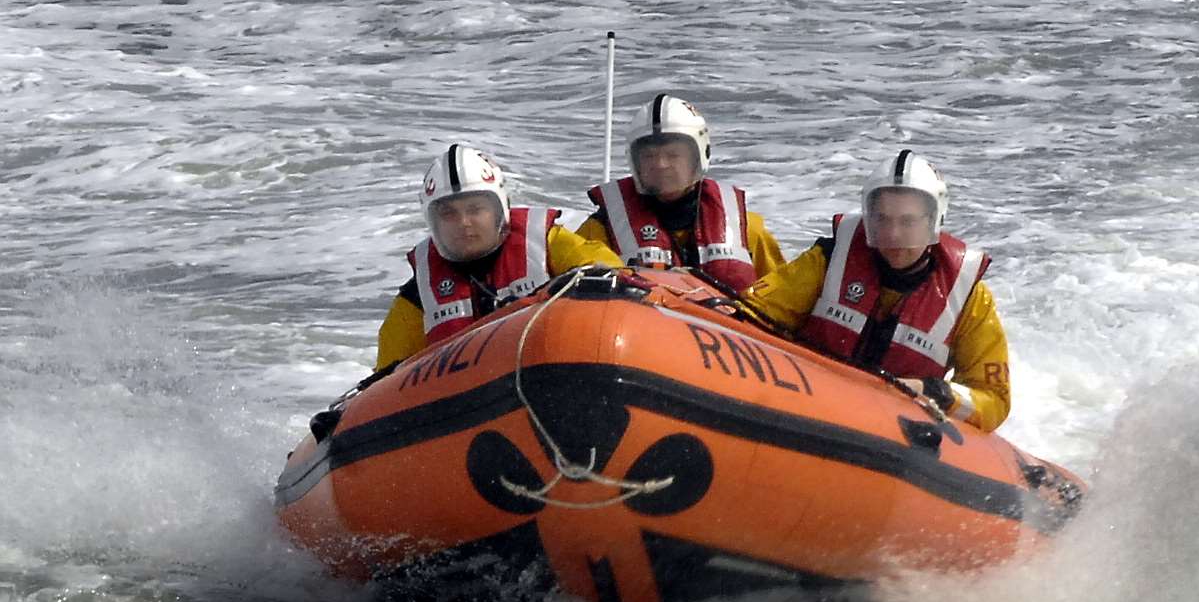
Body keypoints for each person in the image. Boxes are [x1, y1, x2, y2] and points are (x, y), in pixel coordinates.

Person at [742, 150, 1011, 432]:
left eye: (907, 222)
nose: (893, 235)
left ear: (933, 221)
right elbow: (752, 313)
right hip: (808, 404)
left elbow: (993, 399)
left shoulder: (969, 298)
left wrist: (933, 391)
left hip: (894, 434)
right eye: (883, 220)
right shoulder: (830, 259)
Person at [375, 144, 622, 370]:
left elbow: (611, 273)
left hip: (560, 370)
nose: (463, 223)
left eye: (475, 209)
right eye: (449, 214)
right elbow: (384, 378)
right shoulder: (421, 292)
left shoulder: (544, 243)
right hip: (470, 407)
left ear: (499, 209)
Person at [576, 95, 784, 292]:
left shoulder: (746, 230)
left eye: (673, 154)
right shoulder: (602, 230)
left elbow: (779, 299)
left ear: (698, 156)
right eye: (649, 156)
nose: (661, 164)